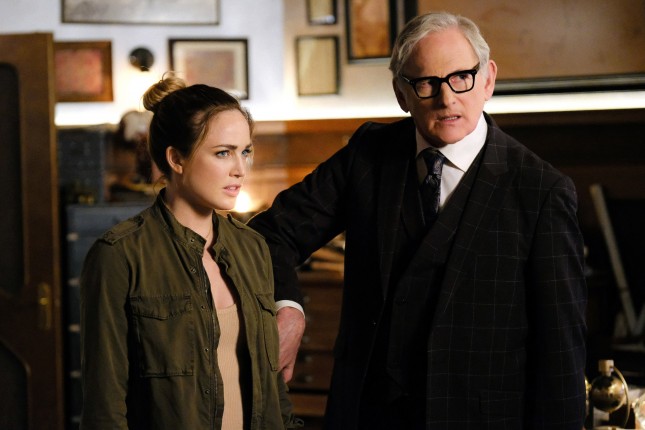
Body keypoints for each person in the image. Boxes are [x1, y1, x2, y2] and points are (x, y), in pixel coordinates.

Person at [248, 11, 587, 429]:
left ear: (488, 79)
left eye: (461, 77)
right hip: (367, 417)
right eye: (426, 83)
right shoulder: (367, 155)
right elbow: (269, 235)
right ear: (401, 94)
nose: (447, 98)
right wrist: (289, 308)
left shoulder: (541, 190)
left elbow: (561, 354)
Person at [80, 74, 302, 429]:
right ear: (176, 158)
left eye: (245, 151)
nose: (240, 169)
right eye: (223, 153)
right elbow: (104, 409)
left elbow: (274, 389)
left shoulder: (252, 248)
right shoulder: (119, 256)